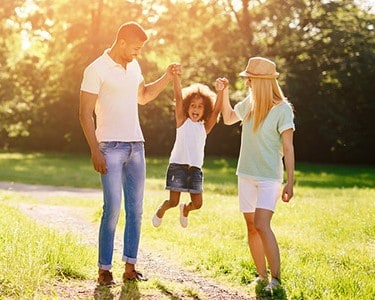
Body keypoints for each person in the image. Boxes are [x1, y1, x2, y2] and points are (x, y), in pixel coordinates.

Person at [79, 21, 179, 286]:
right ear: (122, 42)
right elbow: (84, 113)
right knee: (112, 208)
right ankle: (104, 269)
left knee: (136, 210)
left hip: (137, 146)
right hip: (109, 148)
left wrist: (167, 77)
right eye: (135, 48)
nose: (138, 53)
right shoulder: (95, 69)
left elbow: (144, 96)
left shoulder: (134, 66)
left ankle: (130, 267)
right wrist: (94, 150)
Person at [221, 57, 295, 293]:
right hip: (246, 174)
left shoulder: (283, 109)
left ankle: (276, 279)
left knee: (263, 225)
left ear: (262, 81)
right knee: (251, 226)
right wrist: (223, 93)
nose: (247, 83)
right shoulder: (249, 104)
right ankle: (261, 277)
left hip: (268, 178)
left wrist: (290, 182)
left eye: (250, 79)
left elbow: (289, 148)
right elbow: (229, 118)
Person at [151, 71, 226, 228]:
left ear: (205, 110)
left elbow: (217, 110)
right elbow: (178, 97)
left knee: (198, 204)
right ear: (187, 107)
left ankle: (185, 209)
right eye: (193, 106)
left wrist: (221, 91)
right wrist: (176, 77)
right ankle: (161, 210)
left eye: (200, 107)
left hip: (195, 170)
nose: (196, 109)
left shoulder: (204, 127)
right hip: (178, 166)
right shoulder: (182, 121)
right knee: (172, 201)